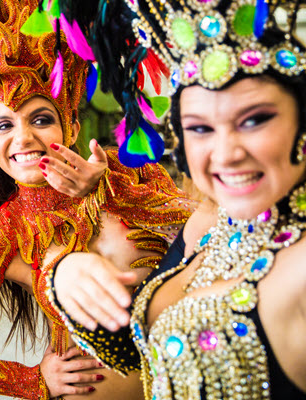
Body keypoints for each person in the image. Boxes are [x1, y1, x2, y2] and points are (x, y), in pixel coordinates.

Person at [0, 0, 195, 398]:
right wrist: (32, 379)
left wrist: (111, 192)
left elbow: (211, 238)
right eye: (4, 125)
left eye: (41, 119)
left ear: (72, 123)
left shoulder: (131, 171)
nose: (23, 138)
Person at [49, 0, 306, 398]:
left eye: (254, 120)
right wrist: (68, 276)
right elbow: (147, 355)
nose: (225, 154)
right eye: (201, 128)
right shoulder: (212, 220)